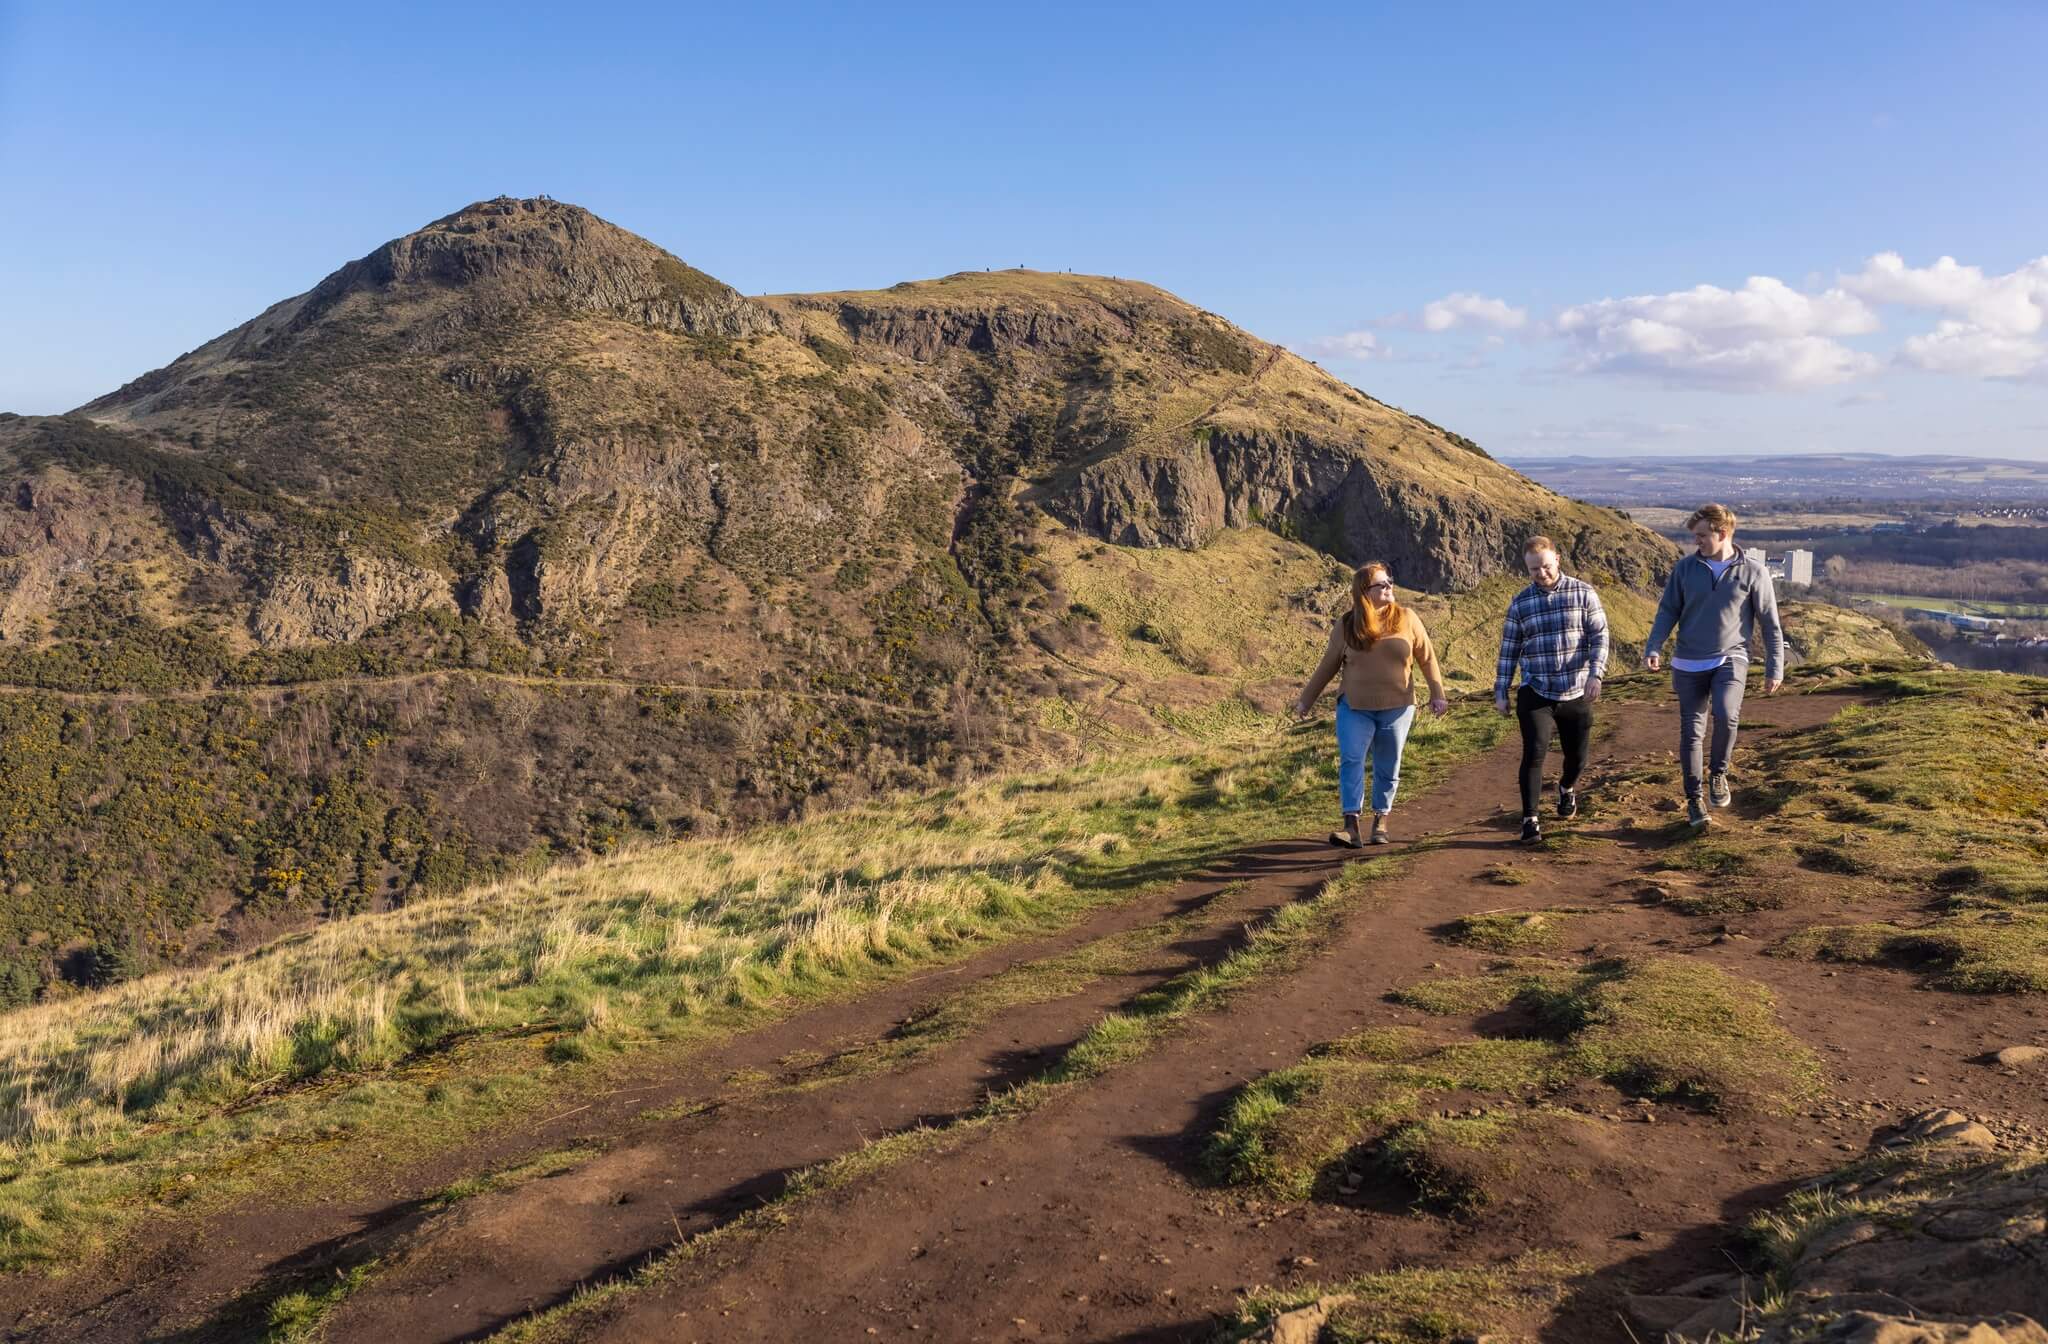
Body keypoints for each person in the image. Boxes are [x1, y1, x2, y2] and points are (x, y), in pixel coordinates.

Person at [1643, 503, 1786, 829]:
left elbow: (1770, 624)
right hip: (1687, 661)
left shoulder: (1753, 572)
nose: (1697, 542)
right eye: (1696, 536)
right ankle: (1694, 799)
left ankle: (1718, 773)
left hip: (1730, 657)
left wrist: (1774, 668)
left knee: (1726, 713)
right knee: (1692, 733)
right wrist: (1654, 646)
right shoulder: (1685, 569)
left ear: (1723, 534)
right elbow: (1667, 611)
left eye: (1703, 536)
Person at [1295, 562, 1450, 847]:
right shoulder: (1347, 624)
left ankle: (1381, 820)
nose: (1389, 586)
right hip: (1354, 706)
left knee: (1388, 765)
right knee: (1352, 759)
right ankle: (1351, 826)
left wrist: (1437, 693)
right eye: (1382, 584)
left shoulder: (1407, 617)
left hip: (1398, 706)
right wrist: (1306, 700)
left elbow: (1427, 658)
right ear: (1364, 591)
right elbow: (1327, 665)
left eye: (1390, 581)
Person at [1494, 536, 1609, 845]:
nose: (1541, 574)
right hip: (1536, 690)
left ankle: (1567, 788)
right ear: (1526, 569)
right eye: (1534, 570)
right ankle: (1530, 819)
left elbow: (1599, 637)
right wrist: (1501, 689)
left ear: (1557, 560)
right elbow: (1509, 649)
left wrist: (1596, 675)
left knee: (1577, 757)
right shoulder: (1521, 603)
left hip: (1576, 690)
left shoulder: (1584, 593)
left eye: (1545, 566)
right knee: (1534, 752)